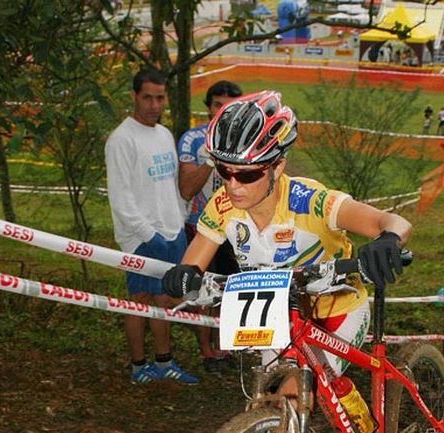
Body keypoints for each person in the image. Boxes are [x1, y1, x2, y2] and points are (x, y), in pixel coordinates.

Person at [162, 91, 412, 393]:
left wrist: (388, 240)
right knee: (269, 396)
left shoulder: (309, 201)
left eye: (247, 174)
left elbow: (393, 222)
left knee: (295, 391)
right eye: (223, 171)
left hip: (339, 310)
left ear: (277, 167)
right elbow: (193, 263)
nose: (232, 185)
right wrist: (183, 275)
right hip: (282, 314)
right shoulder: (222, 206)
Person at [105, 67, 197, 384]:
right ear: (134, 96)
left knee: (165, 301)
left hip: (172, 230)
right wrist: (149, 235)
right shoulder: (121, 140)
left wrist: (179, 219)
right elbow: (121, 198)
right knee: (140, 301)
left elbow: (171, 185)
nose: (154, 105)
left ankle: (164, 362)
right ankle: (138, 365)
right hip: (141, 237)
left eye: (160, 98)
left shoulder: (164, 135)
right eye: (147, 97)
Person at [177, 80, 243, 372]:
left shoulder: (246, 136)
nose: (223, 110)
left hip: (238, 226)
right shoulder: (193, 139)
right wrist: (208, 163)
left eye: (230, 105)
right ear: (208, 107)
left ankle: (226, 348)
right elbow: (186, 189)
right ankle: (207, 352)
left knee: (232, 290)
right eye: (218, 104)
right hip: (201, 225)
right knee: (203, 291)